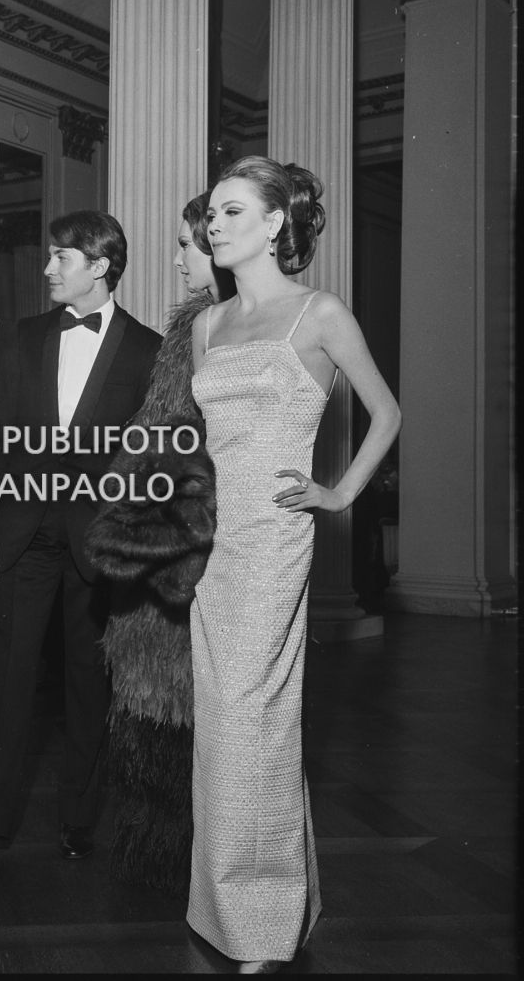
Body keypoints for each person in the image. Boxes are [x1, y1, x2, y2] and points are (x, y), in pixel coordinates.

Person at [187, 157, 401, 973]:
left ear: (276, 222)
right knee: (224, 723)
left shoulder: (320, 312)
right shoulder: (209, 324)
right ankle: (228, 906)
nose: (216, 224)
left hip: (274, 538)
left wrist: (338, 493)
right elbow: (205, 443)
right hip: (212, 542)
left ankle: (263, 921)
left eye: (233, 211)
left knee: (252, 720)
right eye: (212, 213)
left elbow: (387, 411)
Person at [0, 210, 163, 881]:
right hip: (21, 534)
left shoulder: (149, 349)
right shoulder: (24, 336)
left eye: (60, 258)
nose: (46, 269)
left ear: (99, 266)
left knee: (87, 686)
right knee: (6, 682)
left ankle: (79, 819)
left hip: (99, 545)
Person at [83, 190, 234, 897]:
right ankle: (181, 860)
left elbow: (167, 438)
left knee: (176, 702)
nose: (177, 259)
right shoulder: (194, 329)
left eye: (185, 244)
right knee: (167, 702)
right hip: (175, 537)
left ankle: (186, 861)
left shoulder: (207, 326)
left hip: (187, 541)